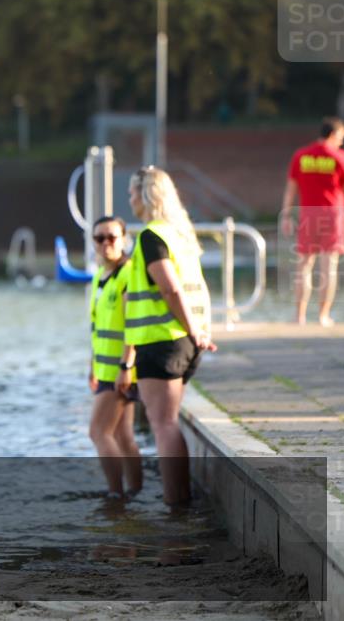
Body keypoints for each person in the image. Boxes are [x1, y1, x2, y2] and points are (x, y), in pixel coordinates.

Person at [124, 167, 216, 506]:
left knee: (162, 423)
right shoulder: (179, 235)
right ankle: (179, 501)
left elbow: (171, 289)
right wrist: (198, 333)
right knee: (168, 422)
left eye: (132, 193)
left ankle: (175, 503)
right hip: (183, 341)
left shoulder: (151, 236)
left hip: (162, 340)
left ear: (147, 195)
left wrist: (193, 330)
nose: (130, 199)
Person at [87, 216, 142, 499]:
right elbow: (98, 327)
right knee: (122, 435)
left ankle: (115, 495)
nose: (106, 243)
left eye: (112, 237)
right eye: (99, 238)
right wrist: (92, 365)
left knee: (98, 432)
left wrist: (126, 365)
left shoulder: (128, 274)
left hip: (121, 370)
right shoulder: (100, 276)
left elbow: (133, 324)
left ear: (124, 239)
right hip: (105, 368)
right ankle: (136, 491)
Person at [281, 117, 344, 326]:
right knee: (329, 266)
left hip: (308, 215)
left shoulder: (301, 155)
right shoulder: (340, 157)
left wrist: (286, 215)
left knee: (304, 265)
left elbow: (291, 189)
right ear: (333, 135)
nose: (341, 142)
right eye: (341, 138)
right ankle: (323, 316)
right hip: (333, 215)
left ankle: (299, 316)